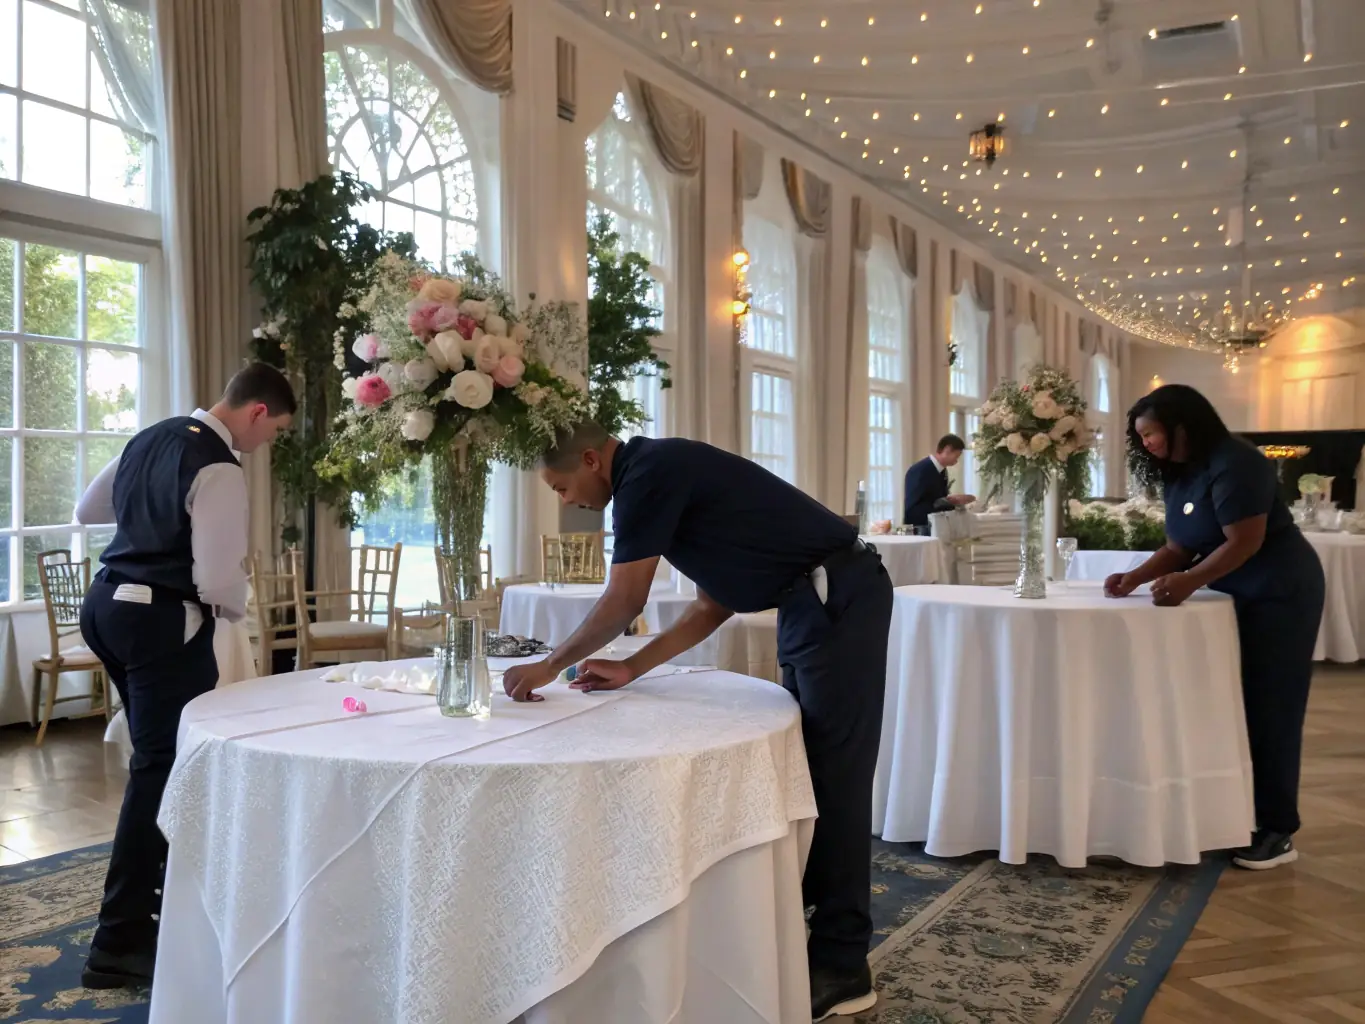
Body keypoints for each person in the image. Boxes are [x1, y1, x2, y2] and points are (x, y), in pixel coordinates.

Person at [501, 423, 894, 1021]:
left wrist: (551, 664)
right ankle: (813, 934)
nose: (565, 500)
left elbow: (625, 599)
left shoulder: (646, 477)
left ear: (590, 459)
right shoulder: (657, 474)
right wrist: (631, 667)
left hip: (835, 596)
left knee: (837, 777)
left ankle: (844, 965)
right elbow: (713, 604)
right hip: (810, 601)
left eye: (560, 486)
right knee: (817, 770)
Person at [74, 362, 296, 988]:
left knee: (157, 762)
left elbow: (88, 508)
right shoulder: (219, 465)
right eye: (273, 431)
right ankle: (119, 941)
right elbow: (217, 579)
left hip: (106, 606)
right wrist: (232, 616)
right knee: (163, 769)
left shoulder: (151, 436)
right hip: (160, 621)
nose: (266, 444)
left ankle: (160, 911)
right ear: (256, 413)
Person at [1104, 384, 1324, 870]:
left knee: (1271, 708)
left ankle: (1277, 829)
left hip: (1278, 594)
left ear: (1183, 424)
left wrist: (1188, 582)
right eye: (1139, 437)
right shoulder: (1180, 474)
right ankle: (1232, 811)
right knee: (1226, 706)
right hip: (1230, 594)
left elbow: (1245, 541)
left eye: (1152, 433)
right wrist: (1135, 578)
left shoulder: (1237, 462)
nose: (1146, 444)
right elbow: (1180, 546)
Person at [903, 434, 976, 528]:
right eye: (956, 456)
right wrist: (949, 502)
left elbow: (935, 499)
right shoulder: (921, 470)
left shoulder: (941, 470)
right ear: (947, 450)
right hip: (920, 529)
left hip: (935, 526)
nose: (957, 460)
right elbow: (913, 508)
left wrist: (953, 501)